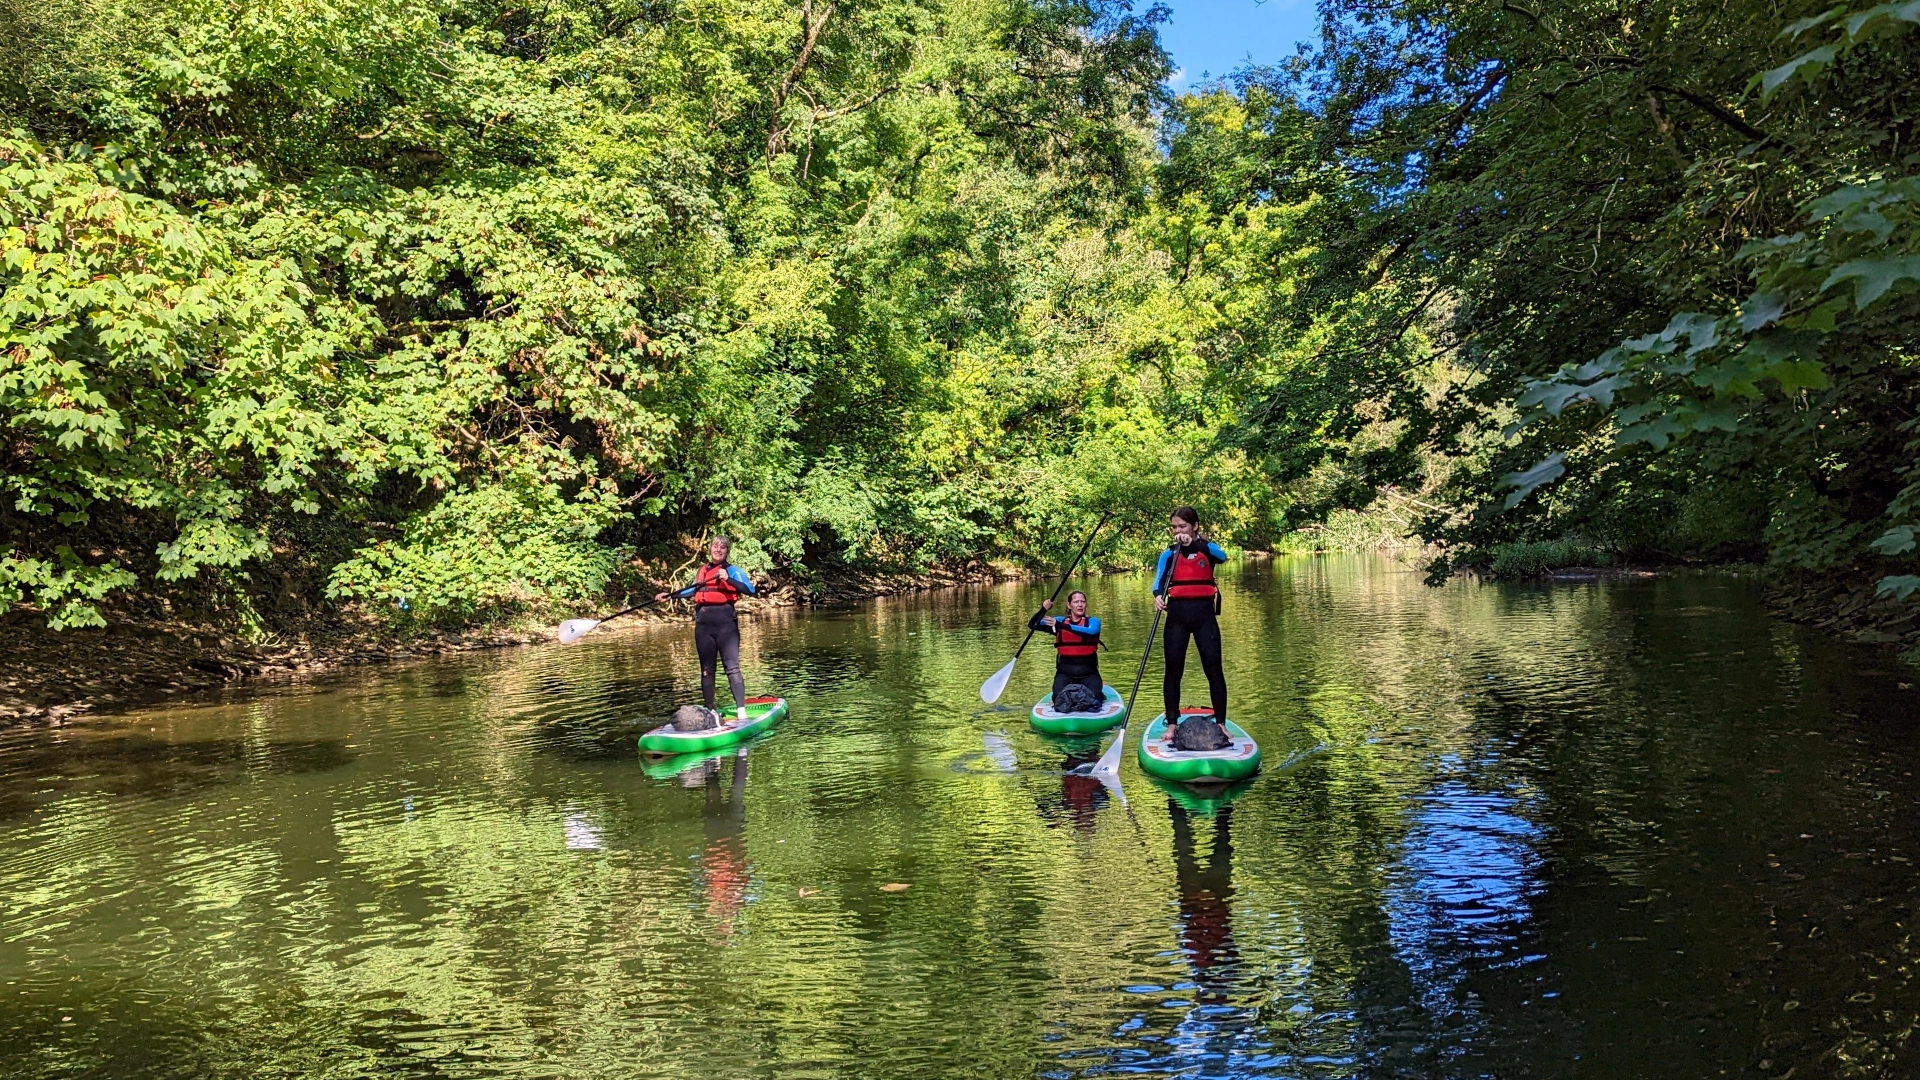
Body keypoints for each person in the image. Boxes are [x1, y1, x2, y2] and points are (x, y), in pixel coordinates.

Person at [657, 536, 757, 723]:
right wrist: (670, 595)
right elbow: (691, 591)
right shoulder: (702, 570)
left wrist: (730, 580)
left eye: (723, 547)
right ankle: (710, 710)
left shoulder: (733, 570)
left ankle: (741, 710)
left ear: (727, 551)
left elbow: (750, 590)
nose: (718, 550)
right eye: (715, 546)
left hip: (726, 623)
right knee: (706, 670)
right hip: (704, 624)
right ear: (710, 549)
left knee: (732, 667)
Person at [1152, 506, 1229, 741]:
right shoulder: (1169, 554)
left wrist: (1193, 544)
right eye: (1174, 527)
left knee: (1213, 669)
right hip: (1177, 616)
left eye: (1182, 526)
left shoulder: (1207, 548)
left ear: (1194, 526)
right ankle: (1172, 725)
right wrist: (1157, 596)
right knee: (1173, 671)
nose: (1178, 531)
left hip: (1204, 615)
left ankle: (1222, 723)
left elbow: (1223, 557)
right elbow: (1158, 581)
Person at [1030, 589, 1105, 712]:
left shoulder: (1093, 622)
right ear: (1069, 605)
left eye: (1083, 601)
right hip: (1065, 674)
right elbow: (1033, 624)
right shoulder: (1058, 621)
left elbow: (1092, 632)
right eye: (1076, 602)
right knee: (1058, 699)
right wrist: (1043, 609)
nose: (1080, 605)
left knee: (1095, 698)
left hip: (1089, 673)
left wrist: (1061, 626)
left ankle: (1095, 695)